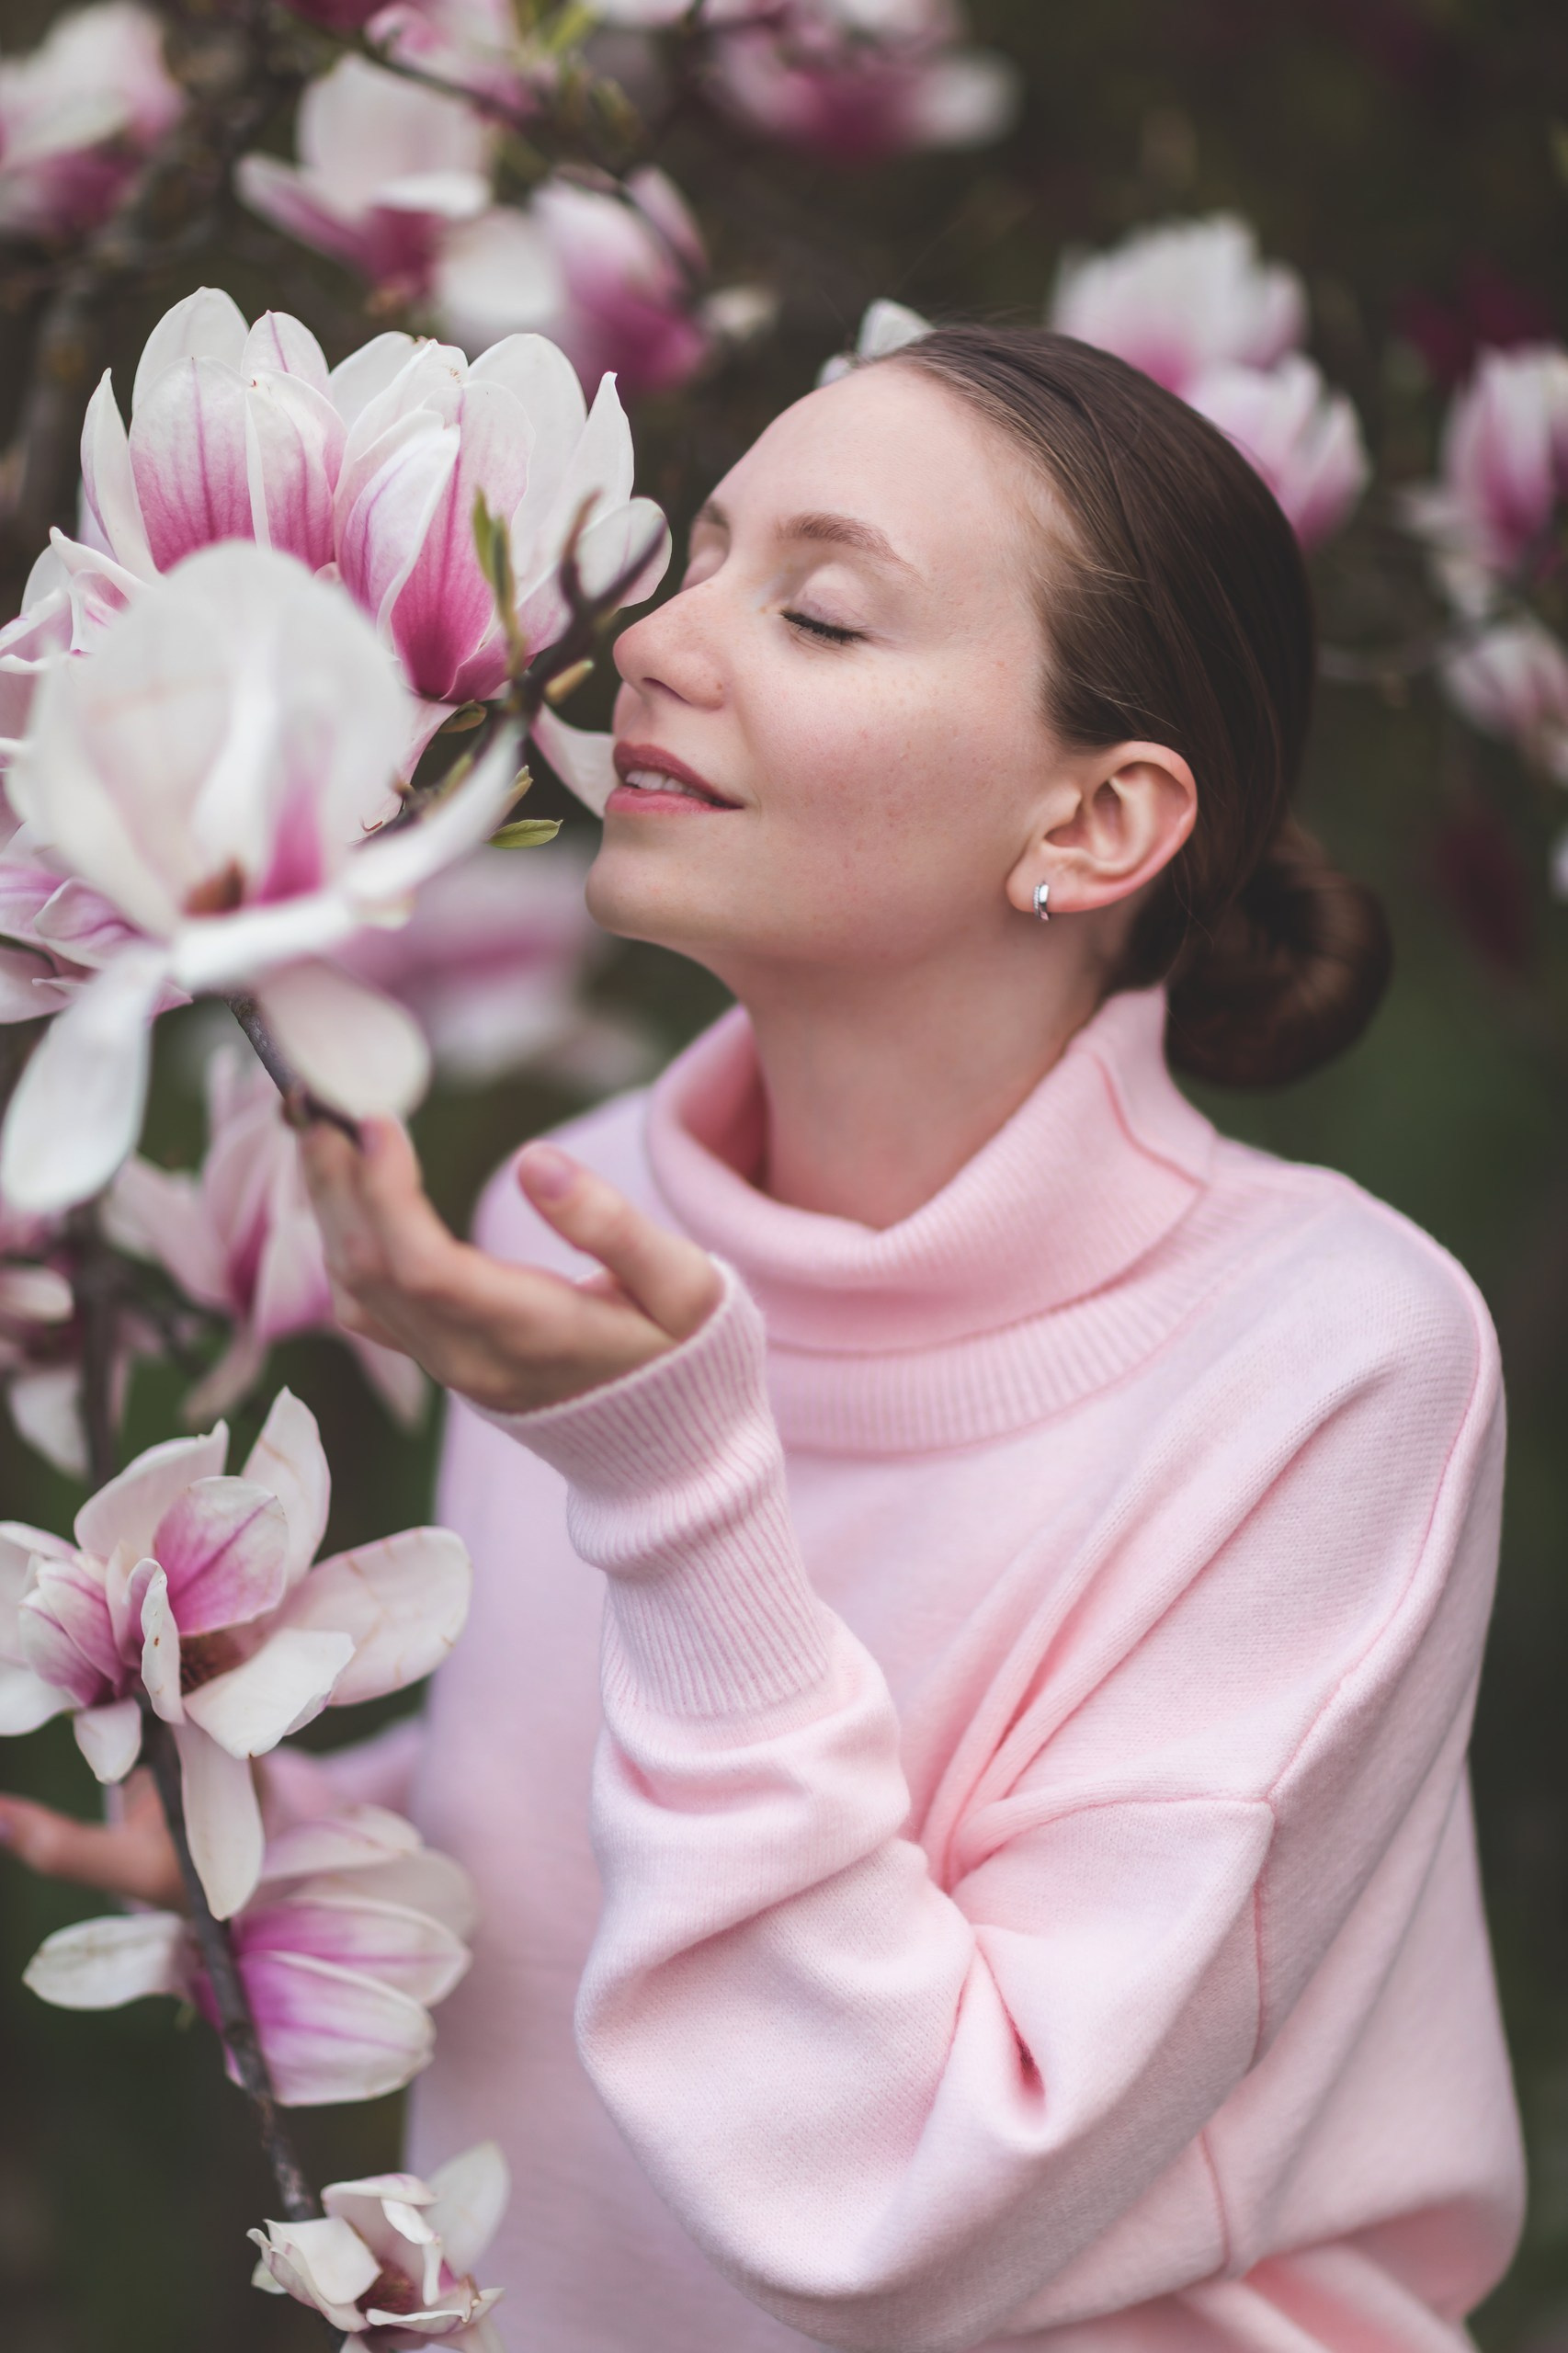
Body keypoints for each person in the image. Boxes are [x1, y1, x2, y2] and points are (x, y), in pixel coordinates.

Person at [0, 329, 1525, 2353]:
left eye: (815, 610)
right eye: (694, 557)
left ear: (1093, 818)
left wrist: (680, 1489)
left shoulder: (1331, 1360)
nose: (654, 640)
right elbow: (643, 1806)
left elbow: (900, 2199)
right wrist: (345, 1847)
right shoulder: (578, 1206)